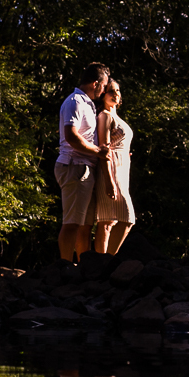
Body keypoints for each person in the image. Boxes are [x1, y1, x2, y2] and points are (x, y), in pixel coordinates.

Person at [55, 63, 109, 262]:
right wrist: (98, 151)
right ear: (95, 84)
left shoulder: (86, 103)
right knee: (71, 223)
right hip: (75, 166)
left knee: (84, 224)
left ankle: (81, 268)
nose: (104, 91)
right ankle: (65, 267)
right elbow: (71, 136)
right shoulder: (75, 101)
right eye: (103, 86)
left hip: (84, 168)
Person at [93, 77, 137, 255]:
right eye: (110, 91)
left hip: (122, 169)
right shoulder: (104, 115)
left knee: (112, 220)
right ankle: (105, 260)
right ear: (103, 95)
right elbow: (104, 148)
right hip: (110, 170)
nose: (115, 94)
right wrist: (109, 180)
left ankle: (103, 261)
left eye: (117, 91)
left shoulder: (116, 116)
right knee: (119, 219)